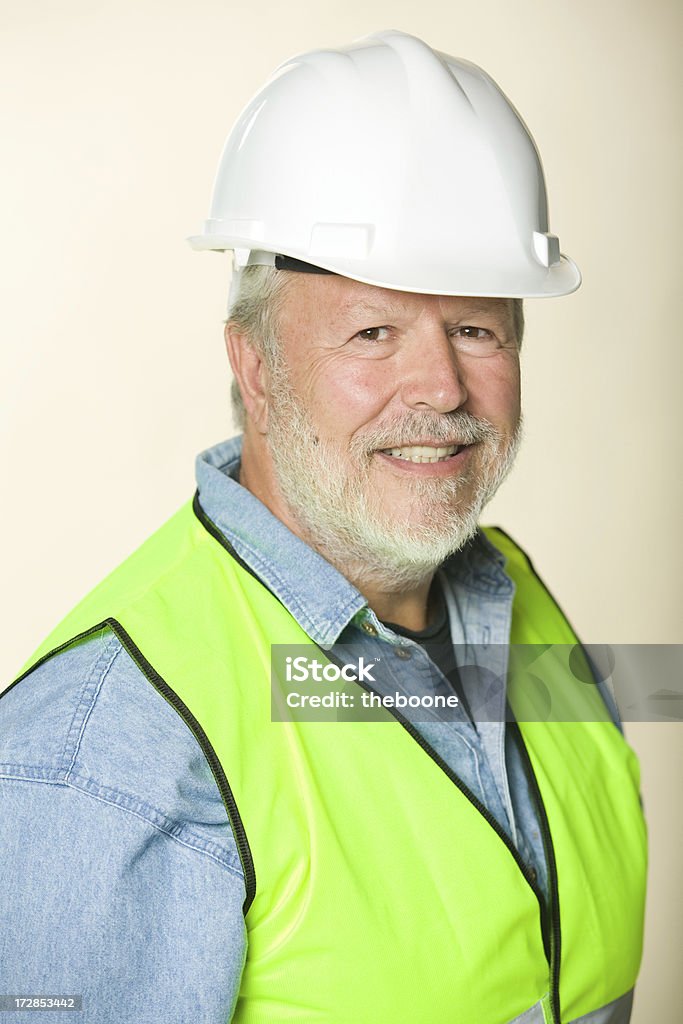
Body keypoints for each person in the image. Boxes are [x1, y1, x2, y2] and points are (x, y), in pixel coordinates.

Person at [0, 29, 646, 1024]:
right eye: (371, 332)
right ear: (255, 365)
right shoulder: (104, 755)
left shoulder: (513, 599)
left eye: (475, 327)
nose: (439, 386)